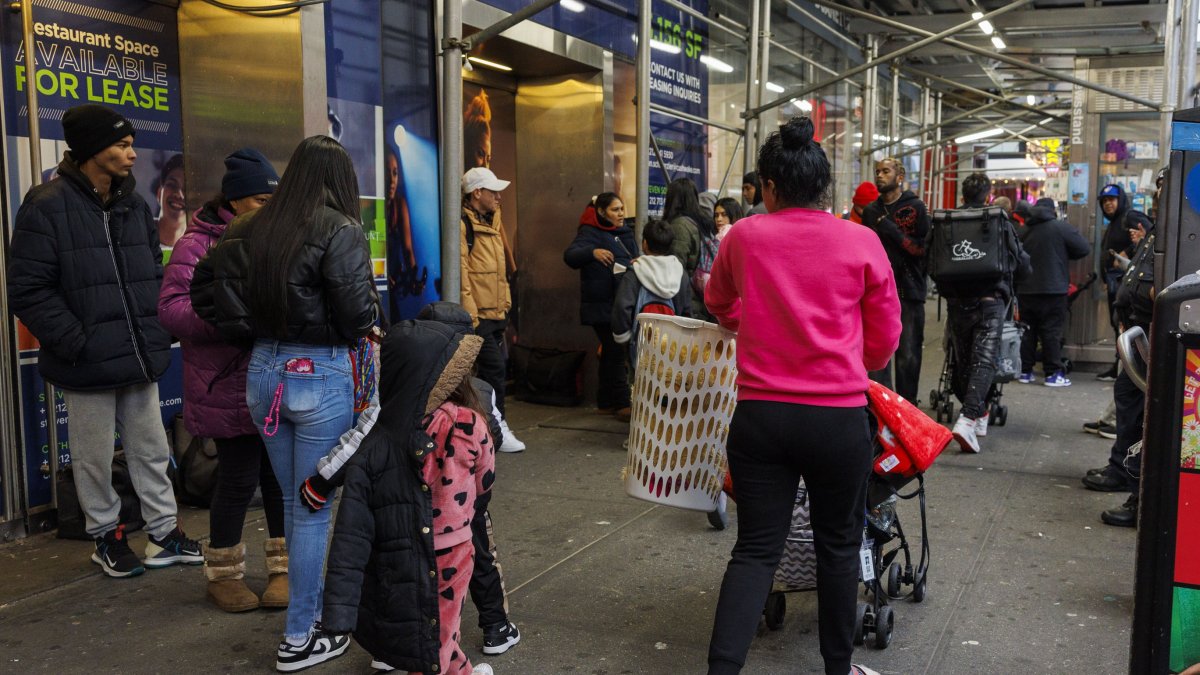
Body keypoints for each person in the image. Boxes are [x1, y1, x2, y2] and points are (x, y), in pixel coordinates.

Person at [705, 116, 900, 675]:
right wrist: (848, 361)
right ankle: (838, 669)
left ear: (768, 187)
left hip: (761, 420)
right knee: (839, 547)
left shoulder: (743, 236)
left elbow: (719, 302)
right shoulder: (860, 240)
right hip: (837, 421)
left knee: (756, 550)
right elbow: (885, 341)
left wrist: (755, 325)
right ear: (824, 189)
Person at [191, 135, 378, 672]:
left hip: (263, 374)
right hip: (320, 373)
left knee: (299, 505)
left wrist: (248, 328)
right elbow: (359, 312)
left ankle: (305, 622)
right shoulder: (339, 228)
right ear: (339, 180)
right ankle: (302, 634)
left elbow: (205, 292)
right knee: (312, 506)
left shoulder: (243, 228)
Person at [7, 103, 202, 578]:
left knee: (152, 448)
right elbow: (27, 288)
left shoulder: (134, 205)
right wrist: (76, 340)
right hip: (86, 359)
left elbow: (151, 274)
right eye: (121, 145)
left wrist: (155, 326)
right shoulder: (46, 204)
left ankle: (163, 531)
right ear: (93, 150)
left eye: (131, 143)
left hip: (137, 351)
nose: (133, 154)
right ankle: (106, 536)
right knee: (92, 456)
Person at [322, 320, 495, 675]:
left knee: (430, 629)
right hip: (456, 548)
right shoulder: (471, 423)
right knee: (441, 629)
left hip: (397, 554)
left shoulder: (376, 444)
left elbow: (350, 535)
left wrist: (339, 612)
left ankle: (453, 664)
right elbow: (485, 482)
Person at [157, 148, 286, 612]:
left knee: (277, 477)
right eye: (259, 203)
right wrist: (228, 321)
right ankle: (224, 574)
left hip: (274, 380)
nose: (269, 211)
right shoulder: (198, 244)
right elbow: (171, 308)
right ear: (233, 202)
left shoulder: (276, 238)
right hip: (226, 383)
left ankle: (283, 569)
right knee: (236, 478)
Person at [1086, 175, 1163, 527]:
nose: (1160, 195)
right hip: (1138, 331)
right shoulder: (1156, 229)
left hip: (1156, 335)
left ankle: (1138, 492)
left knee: (1146, 414)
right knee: (1129, 403)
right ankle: (1124, 472)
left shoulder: (1161, 227)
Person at [941, 173, 1031, 453]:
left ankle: (977, 415)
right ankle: (968, 419)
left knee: (963, 360)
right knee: (984, 361)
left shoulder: (948, 221)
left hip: (957, 301)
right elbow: (1021, 263)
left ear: (963, 195)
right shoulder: (997, 220)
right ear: (988, 195)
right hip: (990, 301)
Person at [461, 166, 525, 453]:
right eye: (493, 191)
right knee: (495, 371)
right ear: (477, 193)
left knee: (488, 373)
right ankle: (497, 430)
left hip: (496, 312)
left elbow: (499, 272)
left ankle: (485, 429)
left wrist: (506, 303)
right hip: (480, 316)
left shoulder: (492, 223)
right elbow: (462, 272)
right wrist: (471, 314)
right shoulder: (464, 225)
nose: (499, 197)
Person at [563, 193, 639, 419]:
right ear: (602, 212)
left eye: (622, 208)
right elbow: (570, 256)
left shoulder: (625, 233)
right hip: (601, 305)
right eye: (615, 210)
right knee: (615, 350)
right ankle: (621, 402)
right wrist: (592, 252)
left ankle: (605, 401)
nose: (621, 214)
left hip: (619, 301)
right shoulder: (590, 232)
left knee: (610, 351)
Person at [861, 157, 931, 404]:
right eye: (877, 171)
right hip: (877, 293)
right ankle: (883, 413)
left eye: (886, 171)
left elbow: (922, 250)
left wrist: (888, 228)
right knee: (878, 357)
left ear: (899, 177)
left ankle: (909, 411)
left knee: (908, 356)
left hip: (909, 291)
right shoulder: (871, 211)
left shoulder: (916, 209)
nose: (880, 175)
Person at [1015, 197, 1090, 387]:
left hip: (1026, 290)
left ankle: (1025, 371)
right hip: (1053, 289)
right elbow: (1083, 248)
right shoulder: (1060, 228)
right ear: (1052, 210)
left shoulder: (1023, 231)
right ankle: (1052, 374)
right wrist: (1064, 252)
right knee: (1051, 332)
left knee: (1027, 332)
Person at [611, 218, 691, 366]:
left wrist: (624, 339)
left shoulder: (635, 272)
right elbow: (687, 312)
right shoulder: (681, 274)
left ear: (645, 243)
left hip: (641, 347)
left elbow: (622, 307)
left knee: (640, 385)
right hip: (671, 348)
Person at [1097, 183, 1152, 381]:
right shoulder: (1115, 222)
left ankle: (1128, 369)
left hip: (1128, 285)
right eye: (1104, 201)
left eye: (1111, 199)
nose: (1108, 204)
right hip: (1116, 283)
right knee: (1118, 326)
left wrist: (1127, 253)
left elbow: (1150, 241)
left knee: (1125, 326)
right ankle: (1120, 366)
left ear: (1120, 200)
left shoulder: (1130, 217)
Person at [662, 177, 718, 321]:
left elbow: (676, 267)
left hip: (689, 300)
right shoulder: (703, 222)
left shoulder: (680, 225)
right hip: (702, 295)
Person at [155, 153, 187, 249]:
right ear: (159, 193)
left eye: (187, 189)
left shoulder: (203, 249)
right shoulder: (136, 235)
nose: (178, 194)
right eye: (172, 185)